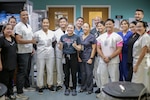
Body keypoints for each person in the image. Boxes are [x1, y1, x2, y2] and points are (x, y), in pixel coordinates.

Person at [96, 19, 123, 98]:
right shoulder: (101, 37)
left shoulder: (118, 37)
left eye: (110, 24)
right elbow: (98, 48)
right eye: (106, 24)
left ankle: (114, 95)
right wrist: (104, 57)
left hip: (113, 61)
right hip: (102, 60)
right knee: (103, 78)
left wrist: (110, 57)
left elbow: (119, 49)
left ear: (113, 25)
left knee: (114, 78)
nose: (108, 26)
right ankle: (104, 95)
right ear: (105, 26)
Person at [14, 9, 36, 100]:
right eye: (23, 15)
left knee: (27, 70)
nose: (25, 16)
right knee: (22, 72)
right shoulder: (18, 26)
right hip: (22, 53)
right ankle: (19, 93)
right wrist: (31, 41)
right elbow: (18, 40)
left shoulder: (28, 26)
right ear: (20, 17)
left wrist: (32, 48)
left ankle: (27, 86)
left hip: (28, 51)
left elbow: (30, 37)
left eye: (26, 15)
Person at [34, 18, 55, 94]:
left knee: (50, 69)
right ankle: (40, 86)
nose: (45, 24)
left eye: (47, 22)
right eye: (44, 23)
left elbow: (53, 42)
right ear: (41, 23)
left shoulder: (52, 33)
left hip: (50, 53)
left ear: (49, 24)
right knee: (40, 70)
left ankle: (50, 85)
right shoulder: (37, 33)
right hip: (40, 53)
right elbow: (34, 43)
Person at [59, 24, 81, 96]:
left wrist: (75, 46)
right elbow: (60, 48)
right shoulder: (63, 37)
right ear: (66, 28)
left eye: (71, 28)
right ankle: (67, 88)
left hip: (73, 56)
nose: (69, 29)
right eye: (68, 27)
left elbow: (79, 48)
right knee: (66, 73)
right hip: (65, 56)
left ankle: (74, 88)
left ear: (73, 29)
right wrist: (60, 45)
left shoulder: (77, 37)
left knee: (74, 73)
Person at [78, 23, 96, 94]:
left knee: (89, 73)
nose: (85, 28)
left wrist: (91, 58)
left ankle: (89, 88)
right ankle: (83, 87)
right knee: (83, 73)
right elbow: (78, 48)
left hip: (89, 57)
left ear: (89, 28)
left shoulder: (92, 37)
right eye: (84, 27)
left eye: (86, 27)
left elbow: (94, 48)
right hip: (81, 57)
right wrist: (78, 57)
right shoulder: (80, 36)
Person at [0, 24, 17, 100]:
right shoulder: (1, 39)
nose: (9, 30)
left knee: (11, 80)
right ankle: (4, 95)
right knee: (5, 80)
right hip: (4, 64)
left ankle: (10, 93)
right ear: (4, 30)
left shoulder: (13, 39)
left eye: (11, 29)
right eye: (7, 29)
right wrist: (0, 64)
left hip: (12, 63)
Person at [54, 17, 68, 91]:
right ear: (59, 23)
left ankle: (68, 83)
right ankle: (59, 83)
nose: (63, 23)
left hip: (68, 53)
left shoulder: (70, 31)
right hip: (59, 53)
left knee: (67, 69)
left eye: (64, 22)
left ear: (66, 23)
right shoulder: (56, 32)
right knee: (59, 69)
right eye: (61, 22)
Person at [92, 21, 105, 94]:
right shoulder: (96, 35)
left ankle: (104, 87)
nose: (99, 27)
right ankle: (99, 87)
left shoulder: (107, 35)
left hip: (105, 56)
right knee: (96, 72)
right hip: (97, 56)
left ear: (104, 26)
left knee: (102, 73)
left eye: (101, 26)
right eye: (98, 26)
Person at [74, 17, 84, 84]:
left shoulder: (83, 30)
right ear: (76, 22)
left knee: (81, 66)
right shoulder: (72, 29)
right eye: (78, 21)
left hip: (81, 50)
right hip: (73, 50)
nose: (80, 22)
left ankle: (80, 79)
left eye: (81, 21)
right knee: (73, 66)